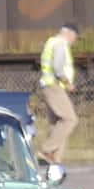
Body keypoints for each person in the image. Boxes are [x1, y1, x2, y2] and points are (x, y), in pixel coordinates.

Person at [36, 22, 79, 166]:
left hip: (48, 85)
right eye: (75, 38)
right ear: (69, 33)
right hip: (54, 86)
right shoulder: (61, 44)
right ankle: (46, 150)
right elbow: (58, 68)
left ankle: (55, 158)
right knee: (69, 119)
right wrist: (68, 83)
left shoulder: (50, 42)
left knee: (56, 123)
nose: (74, 42)